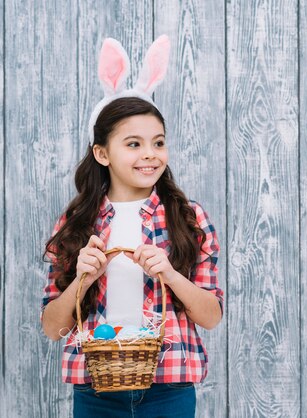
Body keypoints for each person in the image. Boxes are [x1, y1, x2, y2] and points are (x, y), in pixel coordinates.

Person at [40, 35, 223, 417]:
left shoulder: (188, 218)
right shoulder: (77, 225)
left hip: (169, 391)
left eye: (158, 142)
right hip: (96, 393)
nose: (150, 155)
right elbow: (52, 328)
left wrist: (170, 275)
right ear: (102, 153)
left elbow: (210, 316)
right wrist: (83, 280)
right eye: (134, 144)